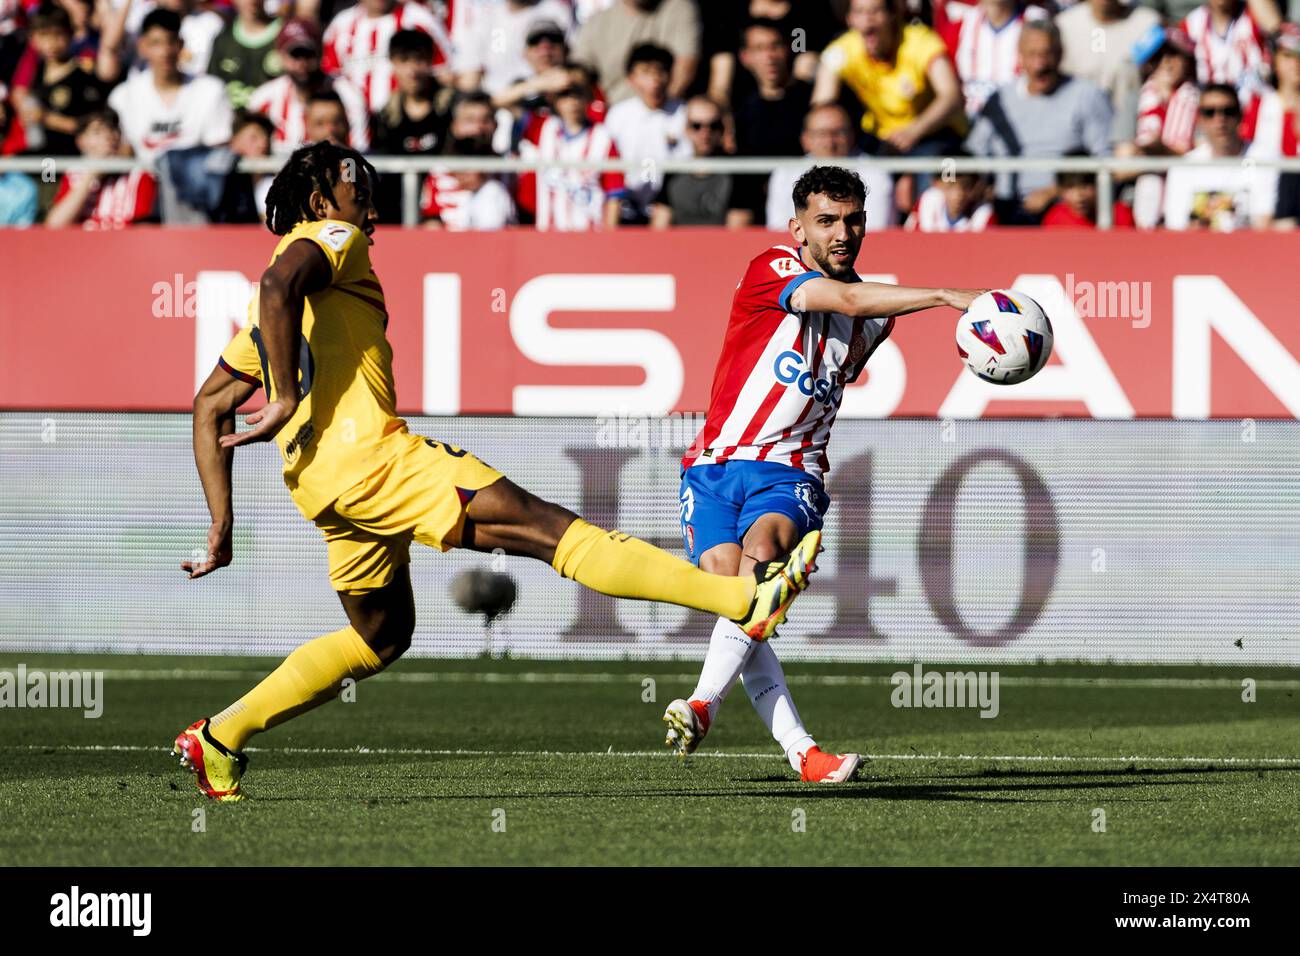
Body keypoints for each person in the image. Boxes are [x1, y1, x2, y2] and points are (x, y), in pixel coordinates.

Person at [173, 140, 820, 801]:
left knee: (381, 635)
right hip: (376, 462)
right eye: (361, 196)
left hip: (323, 489)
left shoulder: (264, 319)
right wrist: (283, 395)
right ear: (320, 203)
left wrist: (220, 523)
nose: (372, 214)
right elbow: (281, 279)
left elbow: (208, 407)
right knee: (550, 533)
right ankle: (744, 598)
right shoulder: (329, 238)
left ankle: (220, 735)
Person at [665, 164, 986, 782]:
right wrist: (947, 295)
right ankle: (804, 755)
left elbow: (851, 321)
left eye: (853, 220)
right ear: (798, 228)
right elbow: (840, 297)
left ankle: (702, 705)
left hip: (790, 470)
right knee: (738, 605)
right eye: (827, 221)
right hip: (712, 466)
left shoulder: (877, 321)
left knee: (761, 564)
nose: (843, 233)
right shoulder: (772, 267)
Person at [965, 19, 1113, 223]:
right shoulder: (1000, 100)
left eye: (1046, 54)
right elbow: (973, 155)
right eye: (1032, 54)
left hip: (1063, 208)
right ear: (1020, 57)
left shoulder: (1086, 95)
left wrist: (1055, 191)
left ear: (1060, 54)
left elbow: (1105, 161)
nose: (1039, 64)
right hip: (1003, 206)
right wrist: (979, 188)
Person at [106, 8, 232, 164]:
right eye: (156, 43)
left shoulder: (211, 90)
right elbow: (121, 156)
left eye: (171, 41)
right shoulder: (123, 97)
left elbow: (218, 154)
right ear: (142, 47)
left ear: (181, 45)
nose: (165, 52)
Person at [516, 63, 624, 230]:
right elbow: (497, 102)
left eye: (578, 95)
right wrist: (541, 83)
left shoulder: (603, 137)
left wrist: (609, 240)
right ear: (555, 100)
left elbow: (614, 194)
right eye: (565, 95)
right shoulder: (543, 128)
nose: (572, 102)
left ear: (587, 99)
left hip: (589, 237)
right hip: (548, 236)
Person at [1162, 81, 1278, 229]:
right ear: (1200, 119)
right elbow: (1176, 228)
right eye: (1210, 112)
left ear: (1240, 115)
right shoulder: (1184, 167)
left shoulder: (1266, 160)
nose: (1220, 119)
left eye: (1228, 111)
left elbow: (1264, 224)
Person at [248, 17, 369, 153]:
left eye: (308, 55)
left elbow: (358, 158)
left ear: (320, 54)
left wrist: (346, 172)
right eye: (295, 55)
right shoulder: (263, 100)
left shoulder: (348, 96)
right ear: (281, 56)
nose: (302, 63)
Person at [765, 103, 893, 231]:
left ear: (852, 135)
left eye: (838, 133)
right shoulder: (785, 174)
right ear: (805, 139)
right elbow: (778, 230)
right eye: (821, 134)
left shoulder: (875, 173)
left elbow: (876, 231)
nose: (830, 142)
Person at [603, 43, 688, 221]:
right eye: (646, 72)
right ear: (631, 78)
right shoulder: (618, 114)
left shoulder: (684, 113)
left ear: (671, 76)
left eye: (661, 71)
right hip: (624, 207)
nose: (655, 81)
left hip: (668, 209)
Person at [649, 95, 762, 227]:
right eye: (697, 126)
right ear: (686, 129)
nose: (705, 133)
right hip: (677, 247)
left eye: (713, 126)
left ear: (722, 129)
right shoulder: (673, 173)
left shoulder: (739, 174)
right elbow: (659, 228)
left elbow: (738, 235)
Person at [322, 0, 453, 113]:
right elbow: (332, 78)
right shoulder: (340, 25)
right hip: (353, 124)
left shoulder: (420, 20)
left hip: (402, 123)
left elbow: (444, 74)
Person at [572, 0, 700, 105]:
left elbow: (685, 68)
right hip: (610, 114)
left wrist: (662, 112)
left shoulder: (678, 9)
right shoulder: (596, 22)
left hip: (662, 113)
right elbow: (578, 70)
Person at [46, 106, 157, 227]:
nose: (108, 137)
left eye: (112, 130)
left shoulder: (140, 176)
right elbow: (54, 226)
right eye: (97, 132)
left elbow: (144, 230)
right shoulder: (74, 175)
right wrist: (90, 176)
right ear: (81, 141)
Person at [731, 17, 814, 158]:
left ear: (787, 49)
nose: (769, 56)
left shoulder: (811, 99)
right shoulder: (738, 109)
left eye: (775, 46)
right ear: (745, 57)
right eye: (759, 48)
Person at [1180, 0, 1281, 99]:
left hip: (1255, 106)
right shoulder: (1192, 24)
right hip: (1212, 109)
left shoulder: (1254, 15)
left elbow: (1275, 27)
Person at [207, 0, 284, 110]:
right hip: (233, 121)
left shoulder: (285, 35)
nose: (252, 1)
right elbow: (211, 88)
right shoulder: (223, 40)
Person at [905, 158, 996, 230]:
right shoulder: (930, 200)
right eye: (950, 186)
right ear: (935, 183)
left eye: (965, 186)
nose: (958, 194)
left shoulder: (983, 213)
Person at [1039, 161, 1137, 228]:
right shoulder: (1055, 218)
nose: (1079, 195)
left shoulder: (1121, 214)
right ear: (1060, 191)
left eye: (1085, 186)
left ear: (1098, 185)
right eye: (1070, 187)